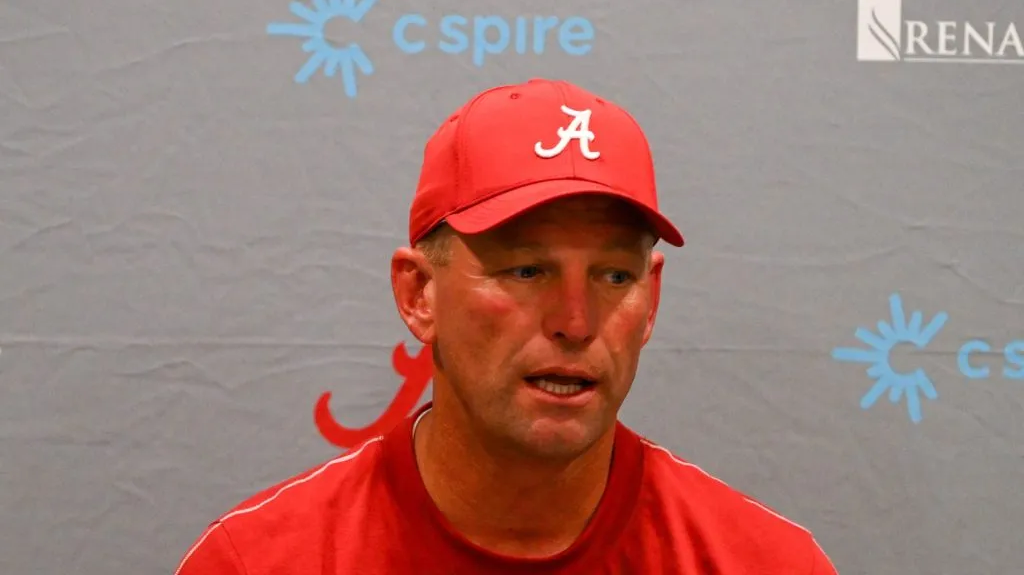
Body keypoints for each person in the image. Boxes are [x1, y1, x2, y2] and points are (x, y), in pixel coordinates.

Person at [173, 78, 838, 574]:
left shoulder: (766, 562)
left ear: (652, 302)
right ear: (419, 294)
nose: (576, 323)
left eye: (613, 276)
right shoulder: (257, 562)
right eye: (526, 272)